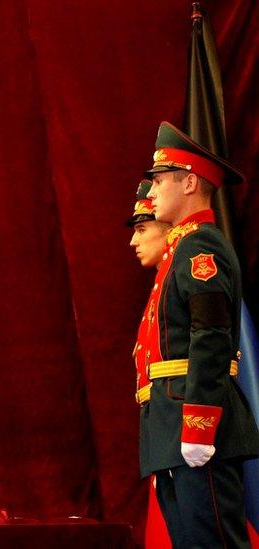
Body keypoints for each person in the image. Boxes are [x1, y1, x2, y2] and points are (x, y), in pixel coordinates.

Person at [138, 121, 258, 548]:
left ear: (189, 182)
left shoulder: (200, 247)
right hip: (174, 429)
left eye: (159, 181)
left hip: (196, 425)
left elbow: (210, 337)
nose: (150, 193)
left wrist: (198, 426)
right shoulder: (179, 250)